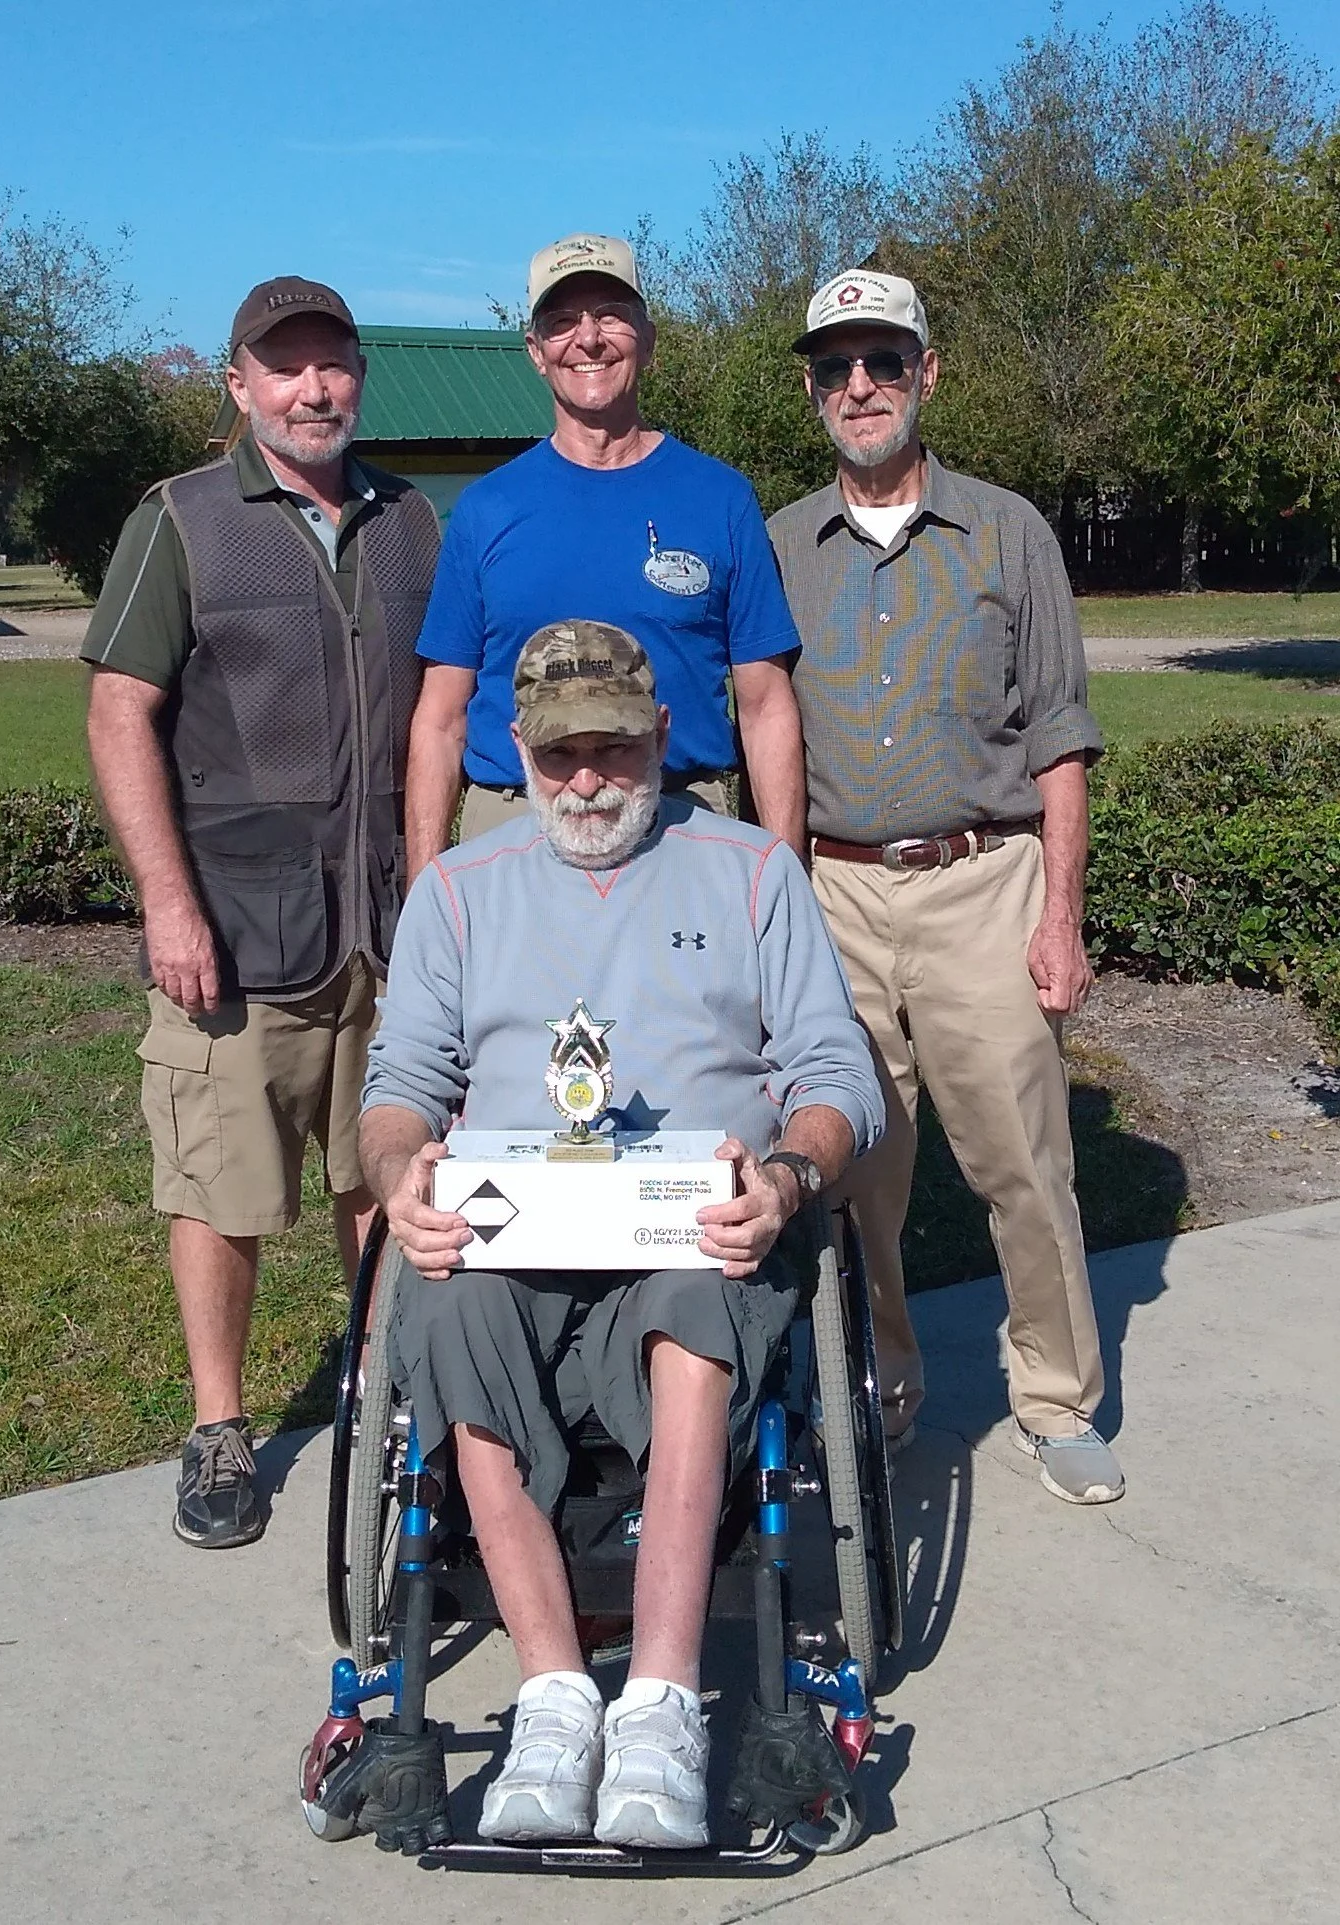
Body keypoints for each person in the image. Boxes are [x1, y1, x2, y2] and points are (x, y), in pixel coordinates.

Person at [360, 619, 883, 1848]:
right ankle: (553, 1693)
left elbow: (833, 1073)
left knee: (702, 1288)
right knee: (445, 1298)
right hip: (519, 1228)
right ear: (517, 755)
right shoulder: (457, 893)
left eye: (611, 747)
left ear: (659, 735)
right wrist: (401, 1175)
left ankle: (656, 1701)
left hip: (694, 1222)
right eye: (557, 755)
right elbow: (398, 1084)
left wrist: (793, 1178)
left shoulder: (753, 871)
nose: (586, 778)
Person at [83, 277, 441, 1550]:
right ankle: (221, 1427)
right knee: (222, 1189)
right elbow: (119, 709)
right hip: (233, 931)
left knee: (381, 1175)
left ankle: (384, 1392)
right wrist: (167, 903)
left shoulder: (410, 523)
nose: (313, 389)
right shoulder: (181, 521)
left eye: (332, 365)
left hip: (387, 928)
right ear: (239, 384)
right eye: (283, 368)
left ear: (357, 375)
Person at [767, 269, 1124, 1506]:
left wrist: (1061, 917)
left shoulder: (1009, 531)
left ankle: (1057, 1396)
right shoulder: (779, 547)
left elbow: (1062, 738)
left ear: (927, 372)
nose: (857, 386)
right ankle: (882, 1389)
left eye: (882, 361)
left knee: (1024, 1160)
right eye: (834, 368)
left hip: (985, 882)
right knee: (854, 1168)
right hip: (835, 897)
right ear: (813, 388)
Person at [403, 233, 806, 876]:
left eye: (610, 315)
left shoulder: (720, 498)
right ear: (536, 353)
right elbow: (441, 719)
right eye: (561, 322)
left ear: (646, 337)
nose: (588, 339)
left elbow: (764, 707)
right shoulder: (487, 510)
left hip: (682, 821)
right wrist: (426, 889)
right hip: (518, 822)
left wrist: (784, 877)